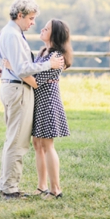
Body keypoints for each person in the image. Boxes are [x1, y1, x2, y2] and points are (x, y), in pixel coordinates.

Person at [0, 0, 65, 200]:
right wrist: (47, 66)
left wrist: (9, 70)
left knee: (14, 140)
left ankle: (6, 184)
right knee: (18, 142)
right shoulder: (13, 35)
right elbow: (23, 68)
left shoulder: (7, 32)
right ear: (20, 15)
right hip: (18, 90)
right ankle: (9, 188)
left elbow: (13, 65)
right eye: (32, 18)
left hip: (13, 86)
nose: (33, 23)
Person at [28, 19, 73, 199]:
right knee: (37, 144)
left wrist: (14, 70)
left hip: (48, 103)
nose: (42, 29)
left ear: (54, 35)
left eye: (46, 28)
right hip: (39, 103)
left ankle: (56, 189)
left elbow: (36, 81)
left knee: (47, 145)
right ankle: (41, 187)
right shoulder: (43, 52)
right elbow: (31, 71)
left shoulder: (57, 57)